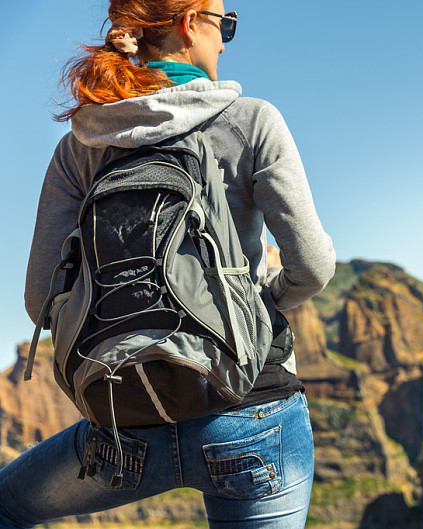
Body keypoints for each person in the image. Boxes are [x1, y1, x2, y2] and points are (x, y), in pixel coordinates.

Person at [0, 0, 335, 527]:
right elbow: (313, 266)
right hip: (250, 410)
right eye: (224, 23)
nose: (224, 40)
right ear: (188, 24)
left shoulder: (80, 145)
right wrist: (259, 298)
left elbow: (39, 298)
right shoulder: (251, 120)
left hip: (124, 412)